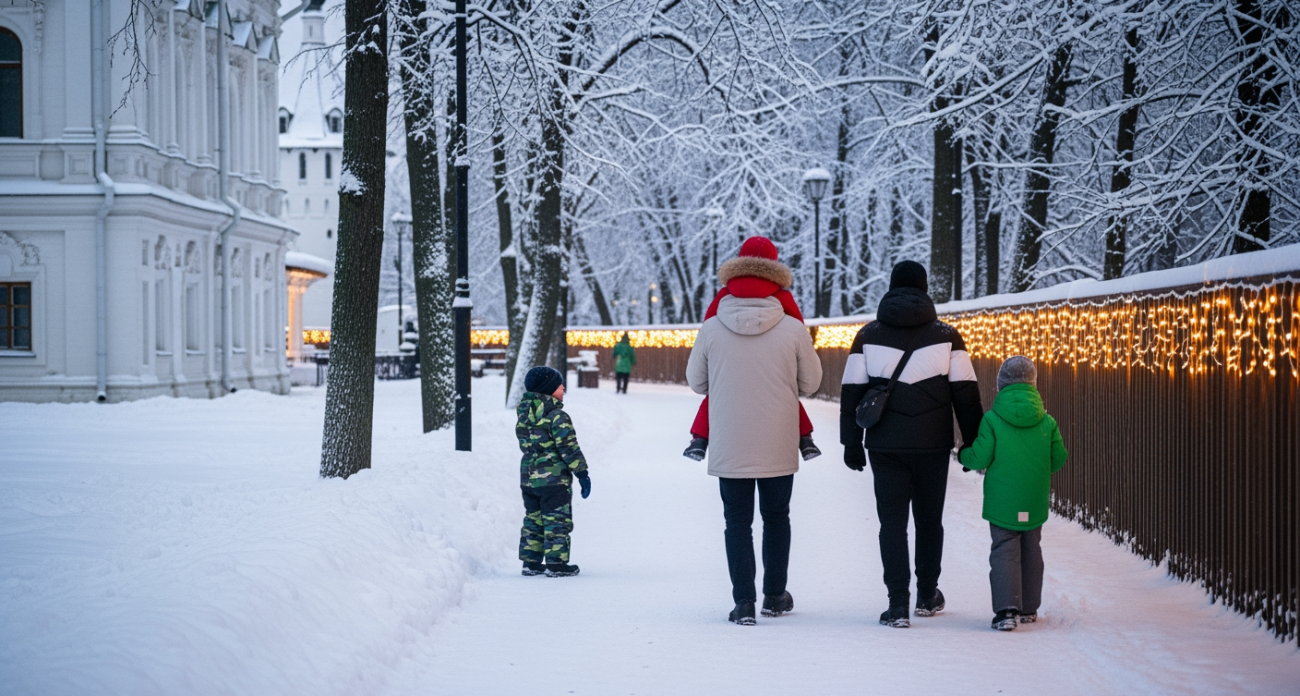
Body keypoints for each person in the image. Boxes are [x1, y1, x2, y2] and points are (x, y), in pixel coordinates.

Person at [839, 260, 983, 628]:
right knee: (929, 521)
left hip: (884, 445)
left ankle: (897, 603)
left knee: (892, 524)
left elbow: (851, 391)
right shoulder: (948, 336)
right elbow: (966, 394)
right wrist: (972, 443)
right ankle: (927, 595)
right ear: (924, 289)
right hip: (932, 444)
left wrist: (851, 443)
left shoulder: (867, 335)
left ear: (891, 288)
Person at [686, 258, 823, 625]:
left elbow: (697, 382)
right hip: (777, 438)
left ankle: (743, 602)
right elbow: (811, 384)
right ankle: (775, 596)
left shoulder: (712, 327)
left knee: (737, 522)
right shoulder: (792, 328)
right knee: (776, 518)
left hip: (730, 440)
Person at [682, 236, 822, 462]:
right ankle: (805, 437)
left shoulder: (724, 296)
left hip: (729, 447)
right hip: (777, 446)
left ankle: (700, 438)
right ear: (774, 262)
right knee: (785, 390)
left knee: (718, 390)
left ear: (741, 259)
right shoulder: (783, 297)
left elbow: (709, 320)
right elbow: (798, 323)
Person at [958, 356, 1067, 630]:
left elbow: (980, 458)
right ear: (1033, 384)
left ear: (1001, 385)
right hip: (1033, 498)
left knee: (1005, 549)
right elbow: (1058, 458)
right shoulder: (1047, 422)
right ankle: (1029, 608)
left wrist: (963, 455)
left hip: (1002, 501)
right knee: (1031, 549)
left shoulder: (992, 420)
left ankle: (1007, 610)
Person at [516, 366, 591, 578]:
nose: (563, 387)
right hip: (553, 479)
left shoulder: (524, 415)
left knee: (533, 519)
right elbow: (568, 448)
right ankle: (556, 564)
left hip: (528, 477)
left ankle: (531, 562)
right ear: (547, 388)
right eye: (559, 385)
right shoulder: (557, 416)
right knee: (556, 520)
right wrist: (582, 474)